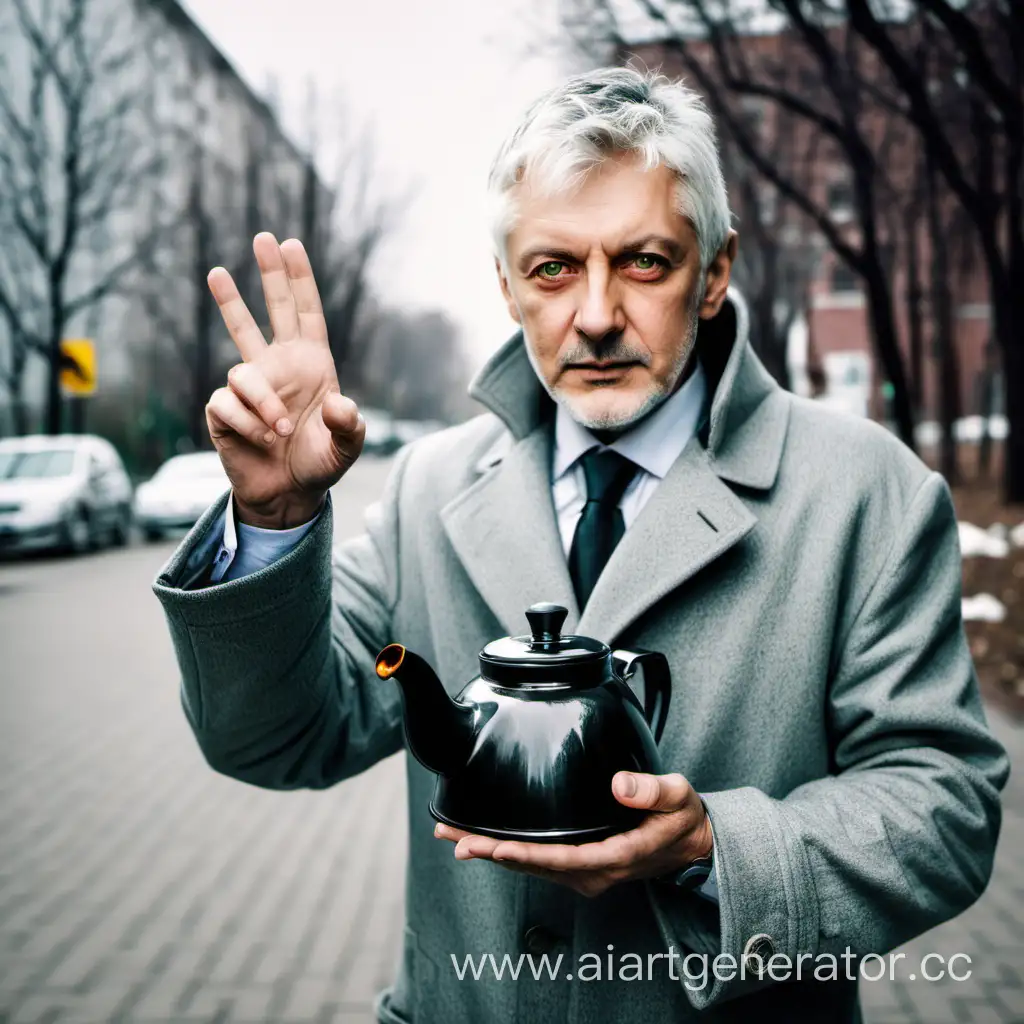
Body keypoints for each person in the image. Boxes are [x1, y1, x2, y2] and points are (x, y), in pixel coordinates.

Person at [153, 66, 1008, 1023]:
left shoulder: (867, 492)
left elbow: (945, 810)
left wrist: (715, 848)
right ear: (508, 288)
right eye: (554, 268)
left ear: (715, 271)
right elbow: (272, 739)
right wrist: (273, 518)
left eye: (643, 261)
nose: (595, 317)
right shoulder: (427, 491)